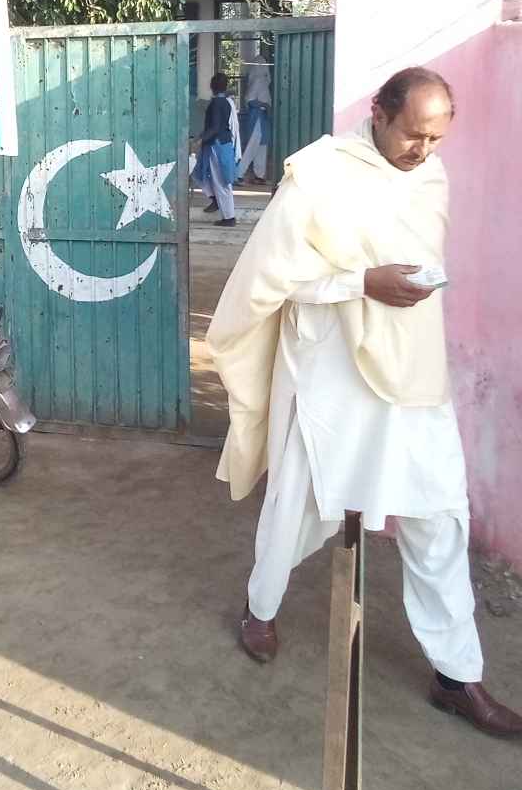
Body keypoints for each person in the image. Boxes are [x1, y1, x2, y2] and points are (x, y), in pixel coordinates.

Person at [207, 67, 521, 737]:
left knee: (438, 512)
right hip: (333, 371)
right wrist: (361, 282)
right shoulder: (318, 175)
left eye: (436, 138)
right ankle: (261, 609)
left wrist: (405, 284)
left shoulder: (430, 175)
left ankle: (458, 677)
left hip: (414, 368)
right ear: (378, 112)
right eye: (413, 134)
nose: (423, 150)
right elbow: (273, 279)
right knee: (298, 498)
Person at [192, 72, 241, 226]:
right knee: (201, 174)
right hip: (222, 144)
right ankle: (215, 200)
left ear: (212, 86)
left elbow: (214, 127)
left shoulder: (216, 104)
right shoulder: (227, 102)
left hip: (216, 145)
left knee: (220, 182)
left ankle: (229, 217)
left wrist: (200, 140)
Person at [238, 51, 272, 184]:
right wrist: (265, 105)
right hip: (258, 117)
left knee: (261, 146)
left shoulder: (261, 81)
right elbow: (250, 100)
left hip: (262, 117)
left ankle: (259, 175)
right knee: (253, 146)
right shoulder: (258, 81)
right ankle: (239, 173)